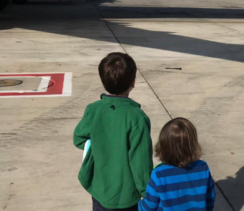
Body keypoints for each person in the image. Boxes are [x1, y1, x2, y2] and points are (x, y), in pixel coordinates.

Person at [73, 53, 153, 211]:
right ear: (133, 82)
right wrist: (147, 191)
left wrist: (99, 146)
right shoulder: (137, 118)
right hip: (127, 197)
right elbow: (140, 161)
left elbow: (79, 138)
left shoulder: (94, 109)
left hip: (99, 190)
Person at [138, 118, 216, 211]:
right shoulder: (203, 168)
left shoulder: (159, 174)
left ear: (163, 147)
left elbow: (149, 207)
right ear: (193, 145)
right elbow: (210, 199)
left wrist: (140, 204)